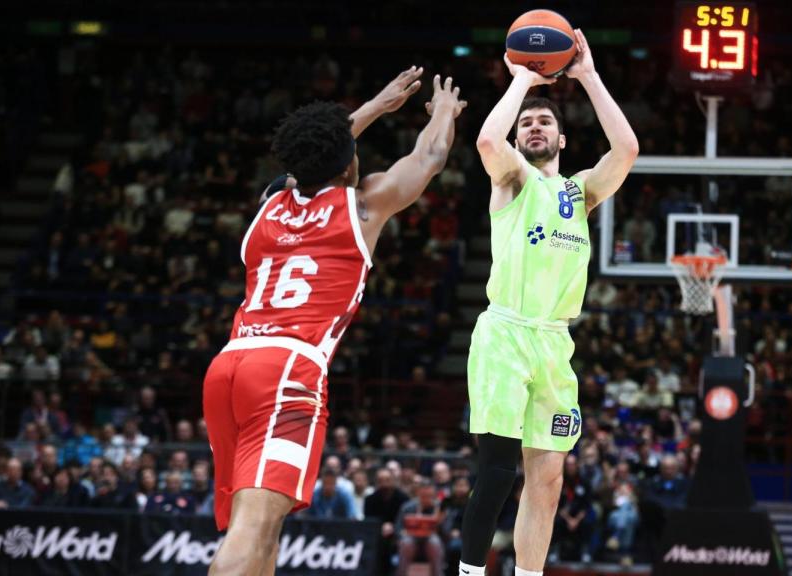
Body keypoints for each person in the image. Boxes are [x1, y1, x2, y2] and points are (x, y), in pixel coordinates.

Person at [203, 67, 466, 576]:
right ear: (350, 164)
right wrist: (444, 115)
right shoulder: (362, 206)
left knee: (263, 525)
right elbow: (430, 157)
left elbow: (309, 154)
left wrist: (371, 107)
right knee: (254, 528)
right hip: (286, 371)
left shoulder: (269, 204)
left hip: (228, 367)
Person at [460, 29, 638, 576]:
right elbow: (489, 143)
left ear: (562, 140)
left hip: (554, 343)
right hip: (505, 334)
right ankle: (469, 573)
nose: (534, 126)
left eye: (544, 122)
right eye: (526, 124)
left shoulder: (578, 191)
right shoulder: (511, 179)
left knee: (548, 478)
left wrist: (587, 76)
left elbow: (626, 149)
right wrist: (521, 82)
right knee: (497, 471)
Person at [397, 479, 444, 576]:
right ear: (418, 493)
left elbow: (445, 530)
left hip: (431, 538)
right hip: (411, 537)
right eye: (423, 496)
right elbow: (398, 527)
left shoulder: (440, 508)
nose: (426, 499)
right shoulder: (407, 507)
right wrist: (402, 532)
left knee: (434, 543)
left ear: (434, 495)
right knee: (406, 543)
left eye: (429, 496)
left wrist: (439, 519)